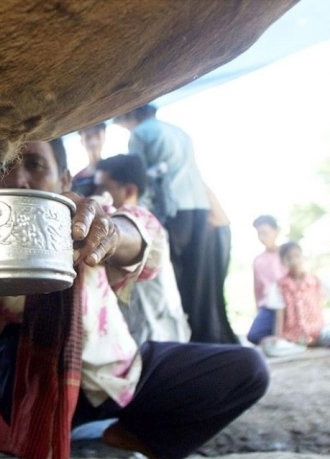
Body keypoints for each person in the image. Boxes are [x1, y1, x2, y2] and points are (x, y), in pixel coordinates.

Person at [0, 139, 268, 459]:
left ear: (65, 179)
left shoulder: (89, 218)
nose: (18, 180)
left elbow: (146, 241)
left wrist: (111, 234)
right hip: (33, 389)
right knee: (15, 343)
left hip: (121, 375)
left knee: (247, 368)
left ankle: (139, 436)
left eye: (35, 164)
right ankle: (39, 435)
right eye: (3, 169)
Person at [114, 104, 238, 344]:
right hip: (199, 208)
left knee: (175, 279)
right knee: (198, 278)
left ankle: (188, 342)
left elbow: (142, 180)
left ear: (130, 115)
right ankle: (209, 339)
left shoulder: (139, 135)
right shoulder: (180, 132)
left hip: (172, 213)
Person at [95, 154, 190, 344]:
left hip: (157, 339)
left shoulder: (144, 223)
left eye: (104, 189)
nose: (97, 194)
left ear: (129, 190)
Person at [257, 241, 330, 357]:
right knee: (268, 347)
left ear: (303, 257)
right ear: (283, 262)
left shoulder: (316, 280)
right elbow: (279, 313)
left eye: (297, 256)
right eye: (289, 258)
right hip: (293, 337)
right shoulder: (279, 286)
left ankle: (311, 344)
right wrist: (278, 336)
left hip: (317, 331)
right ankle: (300, 348)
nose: (294, 261)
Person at [246, 215, 287, 345]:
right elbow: (257, 288)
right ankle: (276, 338)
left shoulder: (288, 255)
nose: (262, 237)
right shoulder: (258, 261)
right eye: (259, 234)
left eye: (265, 232)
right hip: (269, 307)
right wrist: (258, 309)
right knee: (254, 335)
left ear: (276, 231)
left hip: (291, 304)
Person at [71, 122, 106, 196]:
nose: (93, 142)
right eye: (88, 137)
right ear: (81, 142)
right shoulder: (77, 179)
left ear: (104, 137)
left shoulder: (114, 170)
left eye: (97, 135)